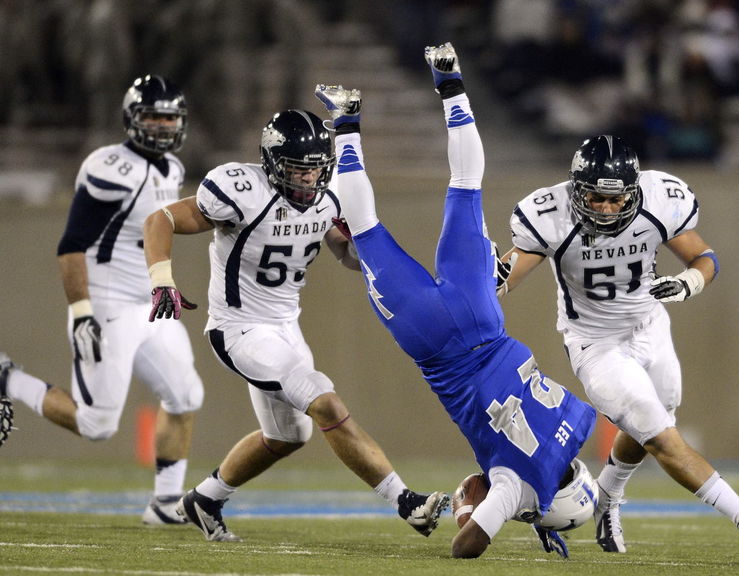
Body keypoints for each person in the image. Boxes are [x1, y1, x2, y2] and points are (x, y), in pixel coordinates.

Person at [313, 42, 597, 560]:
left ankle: (450, 84)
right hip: (435, 343)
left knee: (466, 185)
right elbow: (466, 546)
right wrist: (513, 513)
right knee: (366, 230)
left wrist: (537, 508)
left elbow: (555, 456)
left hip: (481, 313)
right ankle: (345, 123)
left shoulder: (581, 420)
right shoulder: (519, 487)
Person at [142, 107, 450, 543]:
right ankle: (407, 502)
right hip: (239, 328)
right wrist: (162, 280)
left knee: (288, 435)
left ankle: (204, 499)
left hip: (286, 326)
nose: (308, 180)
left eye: (315, 171)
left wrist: (387, 268)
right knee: (324, 401)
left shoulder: (329, 196)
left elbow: (344, 252)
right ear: (270, 163)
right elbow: (162, 219)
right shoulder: (241, 189)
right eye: (296, 171)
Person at [501, 134, 739, 552]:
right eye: (596, 199)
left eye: (617, 200)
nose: (607, 209)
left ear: (635, 191)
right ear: (576, 191)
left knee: (654, 422)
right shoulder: (550, 215)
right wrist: (490, 278)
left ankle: (607, 501)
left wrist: (689, 283)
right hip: (595, 344)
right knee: (660, 435)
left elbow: (705, 258)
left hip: (650, 325)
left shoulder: (660, 201)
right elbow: (506, 279)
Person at [0, 75, 204, 526]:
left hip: (150, 302)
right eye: (154, 116)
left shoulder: (171, 167)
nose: (163, 125)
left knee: (186, 393)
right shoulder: (109, 165)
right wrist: (81, 311)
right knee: (97, 426)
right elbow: (72, 243)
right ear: (133, 119)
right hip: (108, 300)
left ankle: (166, 503)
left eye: (170, 117)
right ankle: (7, 378)